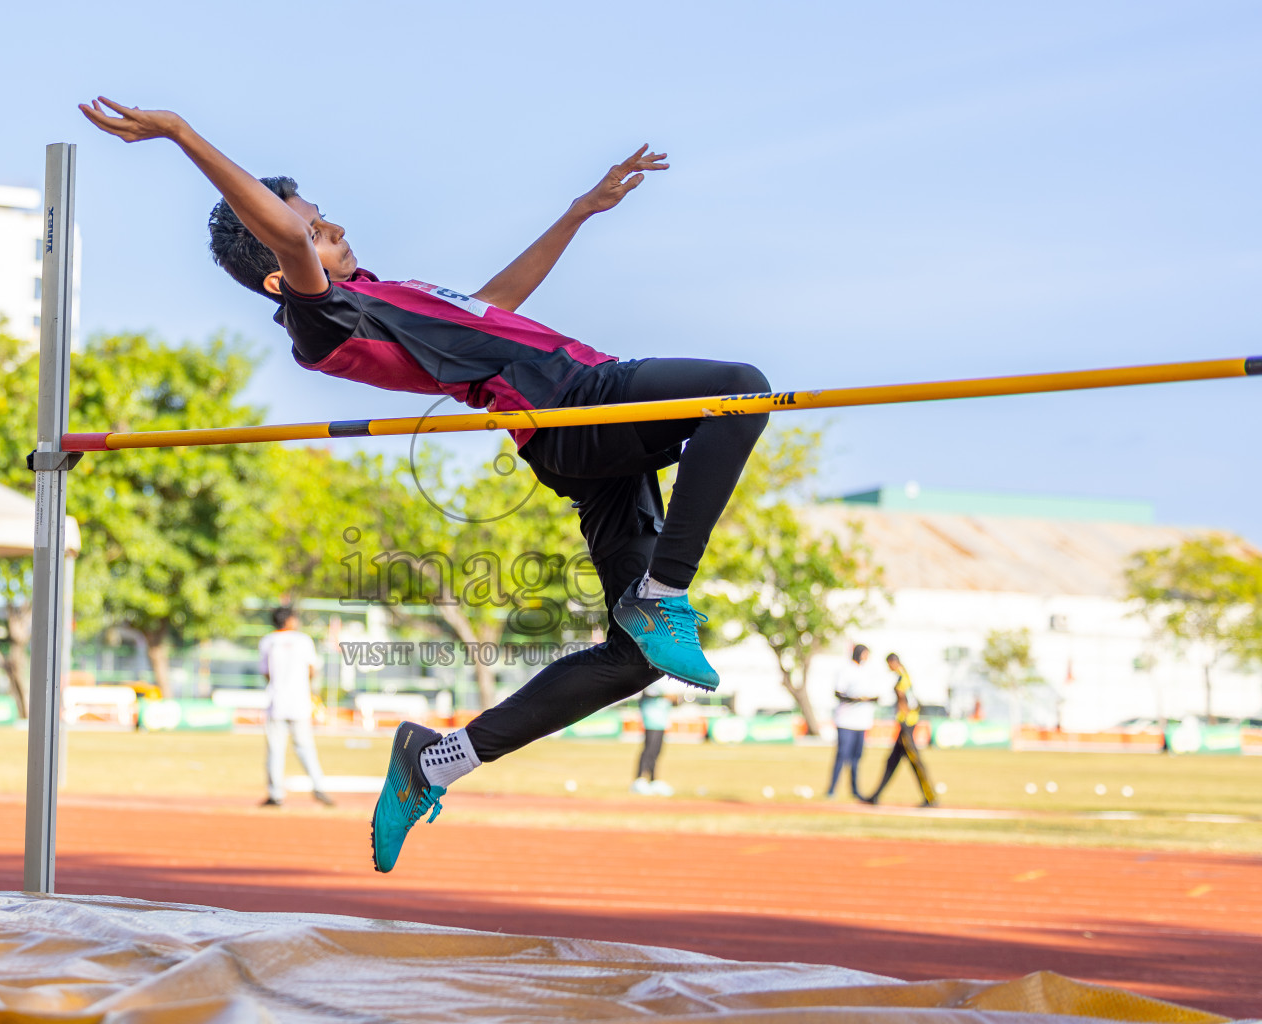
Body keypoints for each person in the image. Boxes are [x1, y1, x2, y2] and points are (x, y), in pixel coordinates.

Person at [81, 98, 771, 872]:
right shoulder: (324, 316)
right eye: (313, 228)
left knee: (634, 658)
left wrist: (577, 213)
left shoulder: (390, 293)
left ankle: (434, 762)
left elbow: (496, 305)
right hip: (576, 405)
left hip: (582, 434)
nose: (332, 228)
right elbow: (279, 235)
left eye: (323, 217)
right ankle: (664, 592)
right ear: (283, 268)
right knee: (741, 391)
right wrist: (181, 134)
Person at [257, 607, 333, 808]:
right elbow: (312, 670)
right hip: (299, 702)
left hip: (277, 701)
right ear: (289, 620)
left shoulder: (267, 641)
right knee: (306, 747)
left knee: (275, 749)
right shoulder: (303, 640)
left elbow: (266, 672)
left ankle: (276, 794)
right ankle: (318, 787)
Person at [862, 654, 938, 806]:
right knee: (892, 761)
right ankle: (875, 796)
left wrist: (903, 718)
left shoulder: (901, 678)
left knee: (916, 761)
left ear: (893, 662)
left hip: (906, 725)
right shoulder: (905, 675)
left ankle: (931, 798)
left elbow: (903, 699)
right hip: (907, 722)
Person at [826, 644, 880, 799]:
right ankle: (832, 788)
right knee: (842, 754)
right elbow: (838, 693)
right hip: (846, 720)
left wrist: (870, 699)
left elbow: (875, 694)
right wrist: (854, 699)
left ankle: (855, 789)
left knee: (857, 757)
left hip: (862, 721)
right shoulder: (846, 670)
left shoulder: (868, 672)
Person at [632, 684, 674, 796]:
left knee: (656, 752)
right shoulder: (652, 679)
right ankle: (639, 780)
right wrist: (666, 696)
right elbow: (650, 693)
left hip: (661, 721)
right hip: (652, 719)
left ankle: (653, 780)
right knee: (649, 750)